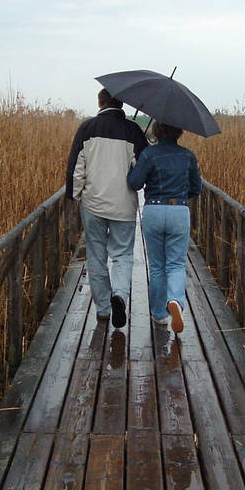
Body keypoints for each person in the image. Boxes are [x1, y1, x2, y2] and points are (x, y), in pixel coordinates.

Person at [66, 89, 148, 328]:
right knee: (122, 255)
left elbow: (76, 168)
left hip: (93, 204)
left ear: (100, 102)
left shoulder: (86, 128)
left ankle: (103, 309)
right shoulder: (133, 131)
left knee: (96, 255)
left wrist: (74, 196)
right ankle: (119, 295)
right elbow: (142, 170)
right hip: (123, 205)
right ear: (121, 104)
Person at [127, 122, 202, 333]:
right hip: (179, 210)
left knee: (157, 266)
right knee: (176, 264)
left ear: (157, 131)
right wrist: (181, 196)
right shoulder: (188, 156)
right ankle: (175, 300)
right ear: (179, 131)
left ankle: (159, 315)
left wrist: (131, 166)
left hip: (154, 210)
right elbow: (196, 187)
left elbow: (135, 183)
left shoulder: (149, 155)